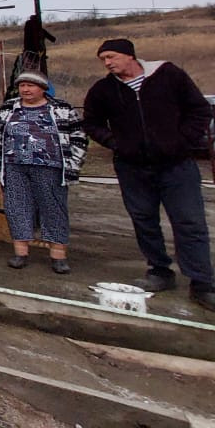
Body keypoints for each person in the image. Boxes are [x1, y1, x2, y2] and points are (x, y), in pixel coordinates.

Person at [83, 38, 215, 312]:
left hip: (176, 165)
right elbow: (92, 123)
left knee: (189, 221)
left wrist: (182, 141)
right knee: (144, 219)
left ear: (129, 55)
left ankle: (202, 282)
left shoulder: (168, 75)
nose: (107, 63)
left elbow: (200, 110)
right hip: (132, 166)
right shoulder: (103, 90)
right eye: (103, 59)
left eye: (111, 56)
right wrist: (116, 143)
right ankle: (159, 270)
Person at [0, 70, 88, 274]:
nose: (25, 89)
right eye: (22, 85)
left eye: (30, 85)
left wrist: (74, 163)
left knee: (53, 208)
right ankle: (20, 254)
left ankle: (58, 256)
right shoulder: (8, 108)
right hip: (14, 166)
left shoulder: (62, 109)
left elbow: (79, 137)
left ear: (43, 88)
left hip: (50, 167)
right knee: (17, 208)